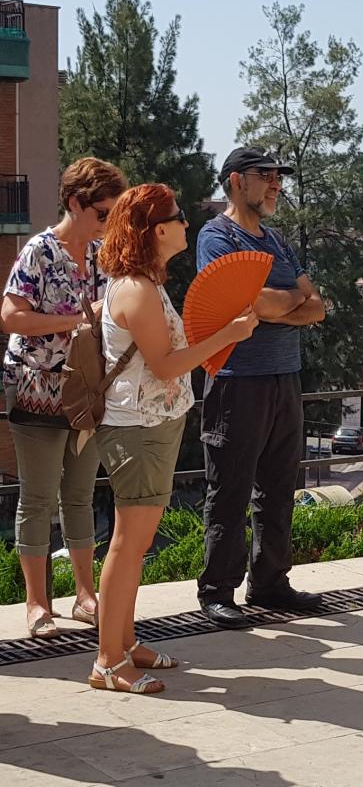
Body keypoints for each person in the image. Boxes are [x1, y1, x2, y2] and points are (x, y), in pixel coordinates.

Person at [90, 183, 258, 694]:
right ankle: (108, 662)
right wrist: (228, 336)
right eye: (179, 217)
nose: (187, 223)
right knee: (127, 545)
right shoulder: (138, 290)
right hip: (138, 429)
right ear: (156, 230)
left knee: (135, 544)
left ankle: (124, 643)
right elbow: (165, 366)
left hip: (149, 425)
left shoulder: (142, 283)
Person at [195, 148, 326, 628]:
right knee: (229, 489)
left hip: (284, 376)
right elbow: (245, 303)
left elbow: (317, 306)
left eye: (278, 176)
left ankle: (270, 583)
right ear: (236, 181)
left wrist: (275, 304)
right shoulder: (216, 236)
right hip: (236, 381)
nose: (276, 183)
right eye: (265, 175)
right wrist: (289, 302)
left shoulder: (277, 241)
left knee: (279, 486)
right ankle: (217, 591)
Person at [1, 157, 127, 639]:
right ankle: (37, 605)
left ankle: (85, 596)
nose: (108, 223)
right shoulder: (39, 250)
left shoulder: (103, 254)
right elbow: (10, 317)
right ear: (75, 202)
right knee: (37, 498)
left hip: (86, 392)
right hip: (35, 388)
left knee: (79, 496)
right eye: (103, 213)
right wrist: (78, 319)